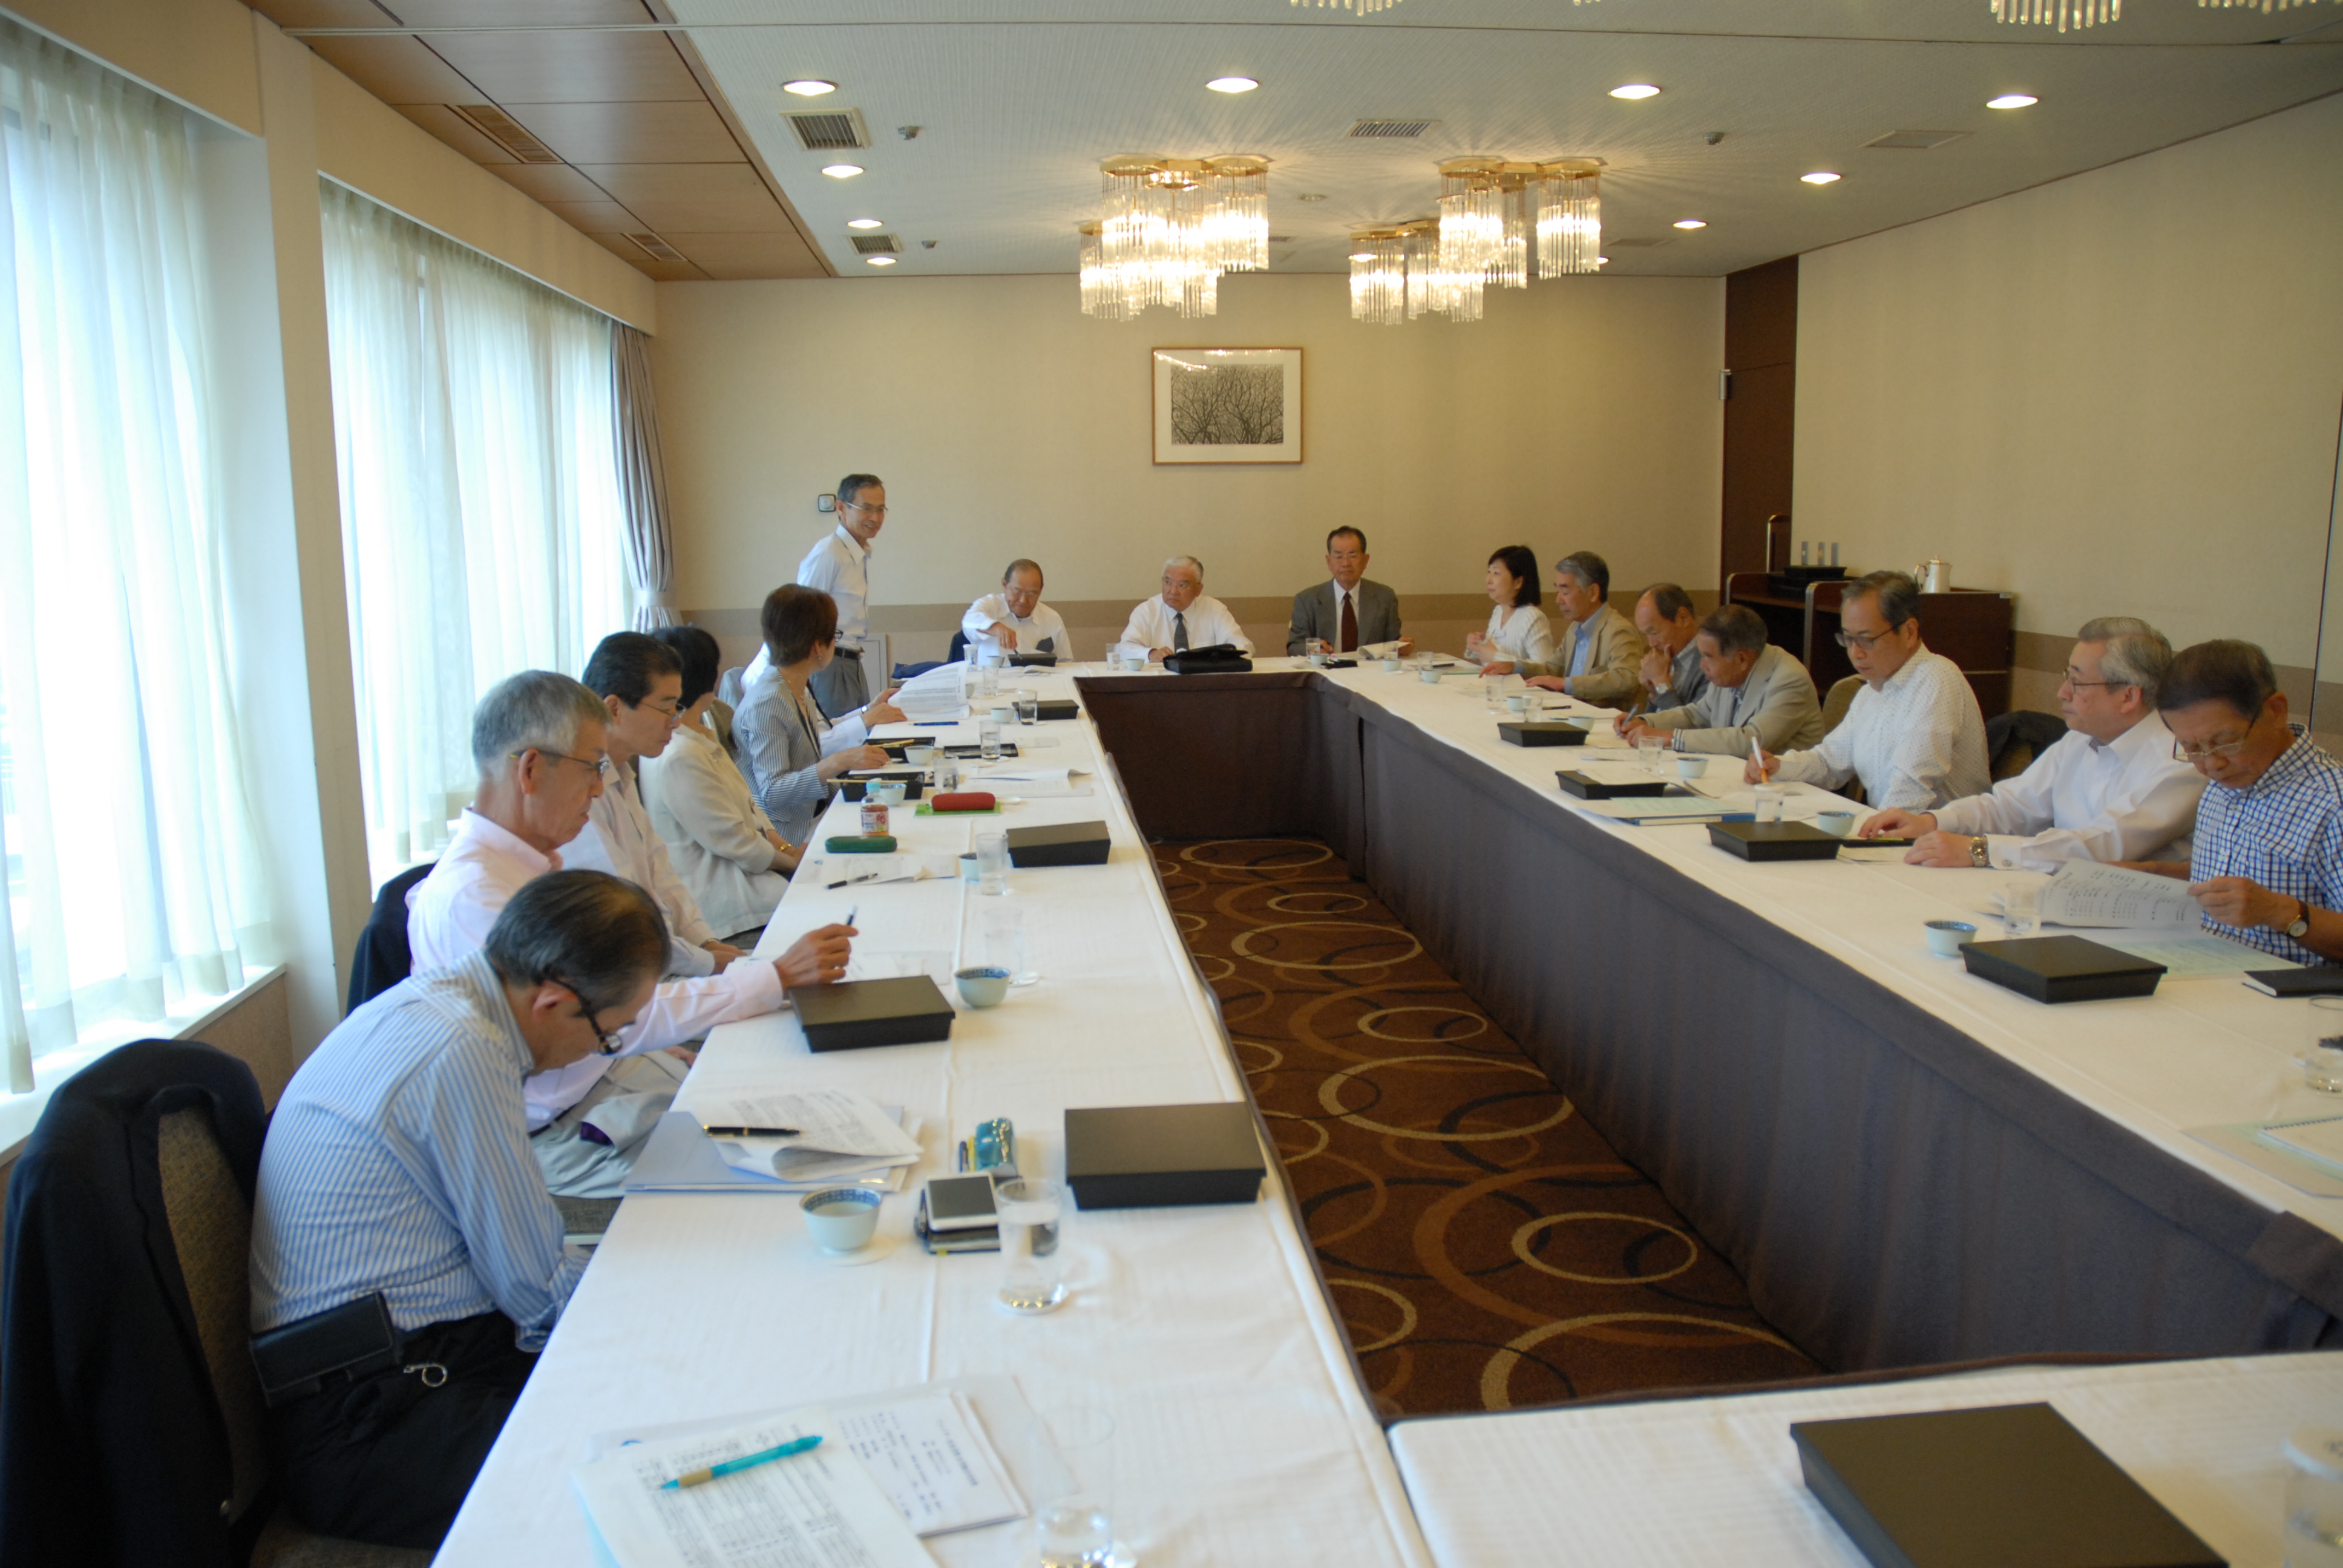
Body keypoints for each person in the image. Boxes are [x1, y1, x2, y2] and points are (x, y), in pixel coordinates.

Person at [250, 872, 670, 1548]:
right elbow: (534, 1289)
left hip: (402, 1361)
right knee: (650, 1469)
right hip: (370, 1421)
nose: (602, 1052)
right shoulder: (465, 1053)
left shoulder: (438, 1002)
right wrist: (653, 1306)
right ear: (554, 1002)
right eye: (609, 1035)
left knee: (660, 1368)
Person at [406, 671, 849, 1197]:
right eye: (592, 768)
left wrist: (652, 1052)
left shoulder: (530, 862)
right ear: (530, 770)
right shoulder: (477, 897)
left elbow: (613, 1000)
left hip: (608, 1077)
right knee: (783, 1177)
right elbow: (607, 1013)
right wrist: (768, 977)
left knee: (803, 1091)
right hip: (562, 1128)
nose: (599, 789)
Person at [1859, 617, 2203, 871]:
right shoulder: (2081, 739)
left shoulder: (2179, 762)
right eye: (2066, 677)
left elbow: (2100, 845)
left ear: (2128, 696)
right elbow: (2013, 806)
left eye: (2078, 683)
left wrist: (1980, 850)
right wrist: (1932, 822)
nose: (2062, 693)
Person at [2125, 639, 2343, 965]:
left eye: (2226, 742)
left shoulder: (2332, 804)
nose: (2212, 764)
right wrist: (2152, 872)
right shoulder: (2227, 781)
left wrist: (2278, 911)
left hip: (2286, 987)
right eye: (2192, 748)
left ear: (2276, 711)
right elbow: (2234, 876)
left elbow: (2263, 899)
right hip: (2204, 962)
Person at [563, 632, 744, 979]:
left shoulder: (621, 773)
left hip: (663, 959)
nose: (675, 720)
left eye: (677, 708)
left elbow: (660, 872)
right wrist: (706, 963)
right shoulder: (582, 793)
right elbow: (623, 913)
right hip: (626, 975)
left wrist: (706, 943)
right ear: (614, 709)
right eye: (666, 708)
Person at [1745, 570, 1989, 810]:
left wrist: (1871, 830)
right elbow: (1829, 763)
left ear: (1909, 632)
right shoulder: (1871, 691)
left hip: (1942, 832)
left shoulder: (1936, 679)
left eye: (1866, 639)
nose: (1855, 653)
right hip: (1893, 826)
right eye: (1848, 639)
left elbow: (1912, 789)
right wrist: (1779, 766)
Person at [641, 624, 796, 943]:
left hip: (754, 882)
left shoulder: (699, 734)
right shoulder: (678, 753)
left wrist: (786, 848)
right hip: (730, 909)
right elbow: (736, 841)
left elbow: (752, 811)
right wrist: (794, 861)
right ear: (709, 679)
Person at [735, 585, 893, 846]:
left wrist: (855, 791)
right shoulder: (768, 701)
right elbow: (772, 792)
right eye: (835, 635)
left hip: (814, 814)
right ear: (818, 646)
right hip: (791, 836)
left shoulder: (793, 686)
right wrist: (837, 762)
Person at [1619, 604, 1826, 756]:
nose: (1702, 666)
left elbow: (1751, 741)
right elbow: (1697, 714)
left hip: (1788, 790)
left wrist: (1669, 737)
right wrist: (1646, 722)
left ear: (1741, 659)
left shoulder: (1789, 680)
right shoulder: (1730, 673)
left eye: (1708, 657)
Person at [1501, 551, 1647, 706]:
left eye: (1565, 592)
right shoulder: (1575, 628)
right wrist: (1515, 667)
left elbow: (1627, 679)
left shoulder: (1618, 630)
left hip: (1600, 717)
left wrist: (1566, 684)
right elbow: (1551, 669)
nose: (1558, 600)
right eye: (1558, 591)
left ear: (1593, 593)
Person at [796, 472, 885, 716]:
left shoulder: (859, 553)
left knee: (862, 731)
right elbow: (801, 616)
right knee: (839, 735)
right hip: (828, 665)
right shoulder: (829, 553)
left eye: (880, 510)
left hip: (852, 660)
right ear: (841, 508)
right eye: (867, 509)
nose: (875, 518)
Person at [1286, 526, 1407, 656]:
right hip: (1326, 667)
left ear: (1366, 560)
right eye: (1339, 557)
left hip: (1370, 668)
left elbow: (1393, 643)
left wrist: (1402, 647)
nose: (1346, 563)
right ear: (1329, 561)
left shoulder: (1385, 597)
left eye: (1353, 556)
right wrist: (1315, 649)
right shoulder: (1307, 600)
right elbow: (1294, 646)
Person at [1119, 555, 1253, 661]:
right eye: (1168, 582)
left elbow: (1243, 645)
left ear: (1198, 589)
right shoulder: (1147, 611)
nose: (1173, 591)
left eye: (1182, 585)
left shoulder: (1215, 610)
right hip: (1160, 684)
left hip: (1206, 683)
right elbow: (1123, 648)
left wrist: (1225, 657)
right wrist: (1150, 654)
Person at [1461, 545, 1553, 670]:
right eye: (1489, 572)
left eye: (1496, 573)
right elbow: (1491, 655)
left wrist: (1496, 657)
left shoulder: (1532, 617)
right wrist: (1476, 646)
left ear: (1518, 582)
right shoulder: (1498, 611)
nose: (1489, 580)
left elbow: (1544, 668)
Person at [962, 558, 1067, 663]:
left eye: (1032, 593)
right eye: (1017, 591)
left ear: (1040, 591)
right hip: (993, 673)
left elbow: (1066, 663)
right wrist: (996, 627)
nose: (1023, 600)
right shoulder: (991, 605)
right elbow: (968, 620)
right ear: (1004, 585)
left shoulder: (1052, 619)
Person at [1633, 583, 1708, 714]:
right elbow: (1654, 719)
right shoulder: (1667, 657)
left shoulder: (1710, 660)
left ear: (1683, 618)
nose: (1652, 644)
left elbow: (1692, 724)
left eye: (1654, 633)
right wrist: (1654, 694)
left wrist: (1661, 683)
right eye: (1646, 635)